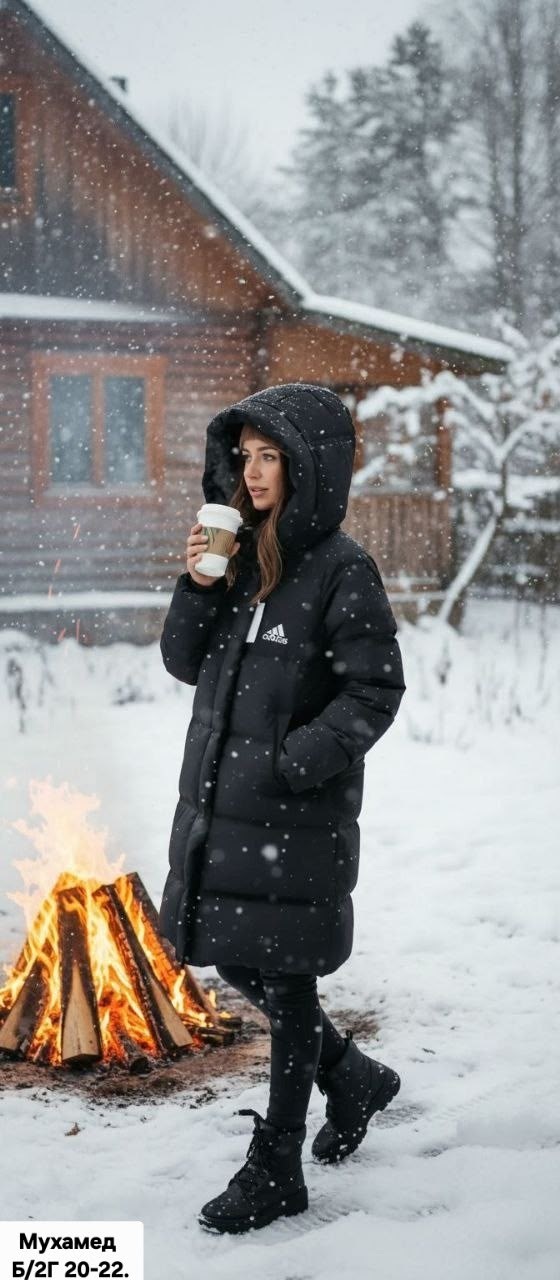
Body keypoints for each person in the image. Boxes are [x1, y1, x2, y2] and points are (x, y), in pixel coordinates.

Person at [159, 382, 406, 1234]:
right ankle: (356, 1077)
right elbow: (184, 664)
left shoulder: (340, 569)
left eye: (272, 458)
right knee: (237, 965)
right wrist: (198, 582)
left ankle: (278, 1166)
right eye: (247, 456)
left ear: (310, 468)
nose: (254, 473)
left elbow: (375, 689)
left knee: (288, 986)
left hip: (293, 820)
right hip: (225, 818)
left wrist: (292, 763)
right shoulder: (242, 554)